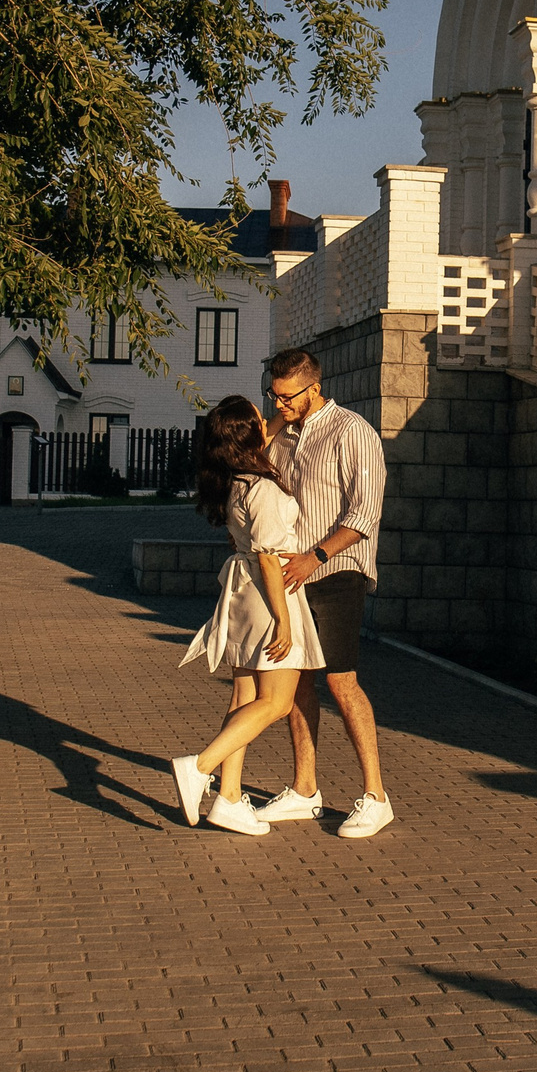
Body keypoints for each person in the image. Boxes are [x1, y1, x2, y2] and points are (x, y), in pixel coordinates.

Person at [248, 346, 395, 838]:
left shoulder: (353, 431)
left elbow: (365, 514)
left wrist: (316, 556)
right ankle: (305, 790)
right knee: (297, 683)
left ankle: (376, 797)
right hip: (292, 577)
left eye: (287, 396)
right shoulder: (281, 435)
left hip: (338, 571)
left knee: (341, 681)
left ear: (314, 387)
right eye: (273, 394)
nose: (279, 403)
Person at [169, 395, 326, 835]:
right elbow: (272, 557)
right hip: (267, 594)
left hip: (240, 594)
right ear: (249, 436)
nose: (267, 418)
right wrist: (285, 619)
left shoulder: (236, 479)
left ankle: (230, 799)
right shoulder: (266, 489)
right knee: (276, 702)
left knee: (242, 700)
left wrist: (296, 404)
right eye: (259, 417)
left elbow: (261, 429)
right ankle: (199, 766)